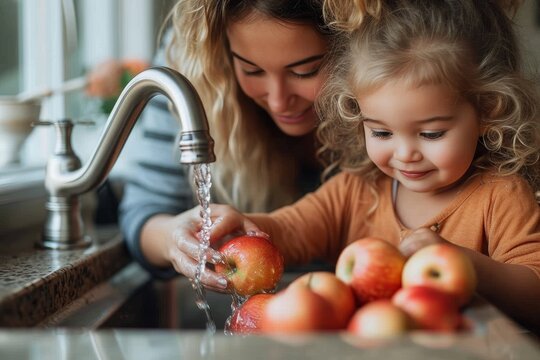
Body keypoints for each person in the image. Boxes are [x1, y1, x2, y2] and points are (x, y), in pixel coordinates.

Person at [168, 0, 540, 331]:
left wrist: (465, 266)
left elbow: (534, 292)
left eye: (431, 134)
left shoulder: (501, 196)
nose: (405, 153)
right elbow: (289, 230)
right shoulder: (356, 189)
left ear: (489, 112)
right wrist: (236, 231)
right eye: (381, 132)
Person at [87, 0, 339, 280]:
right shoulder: (188, 58)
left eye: (305, 71)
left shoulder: (389, 64)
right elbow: (146, 211)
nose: (279, 102)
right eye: (252, 70)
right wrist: (173, 238)